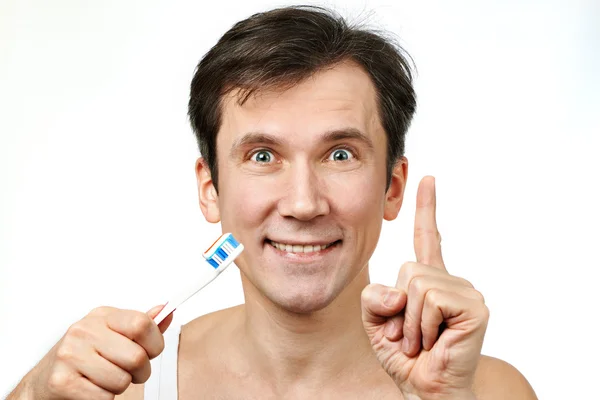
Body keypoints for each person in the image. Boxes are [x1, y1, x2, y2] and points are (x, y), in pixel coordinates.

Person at [7, 5, 538, 400]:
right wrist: (30, 394)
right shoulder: (121, 389)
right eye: (263, 156)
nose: (304, 204)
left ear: (392, 187)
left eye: (339, 154)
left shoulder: (485, 390)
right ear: (209, 188)